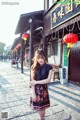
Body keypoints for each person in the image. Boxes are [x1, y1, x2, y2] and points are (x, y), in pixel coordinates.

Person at [30, 49, 53, 120]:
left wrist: (37, 82)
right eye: (38, 58)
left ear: (45, 57)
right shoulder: (33, 67)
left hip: (44, 92)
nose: (40, 60)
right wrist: (33, 93)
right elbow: (32, 82)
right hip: (36, 92)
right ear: (36, 58)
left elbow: (48, 80)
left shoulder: (49, 67)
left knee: (42, 114)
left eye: (42, 57)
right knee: (40, 113)